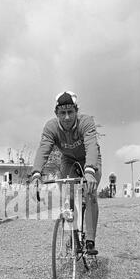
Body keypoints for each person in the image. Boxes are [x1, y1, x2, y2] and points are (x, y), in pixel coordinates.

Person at [31, 91, 102, 254]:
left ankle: (90, 239)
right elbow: (43, 150)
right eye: (62, 113)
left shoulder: (86, 122)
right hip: (68, 159)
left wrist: (90, 171)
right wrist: (36, 174)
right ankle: (73, 235)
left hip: (90, 160)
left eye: (70, 112)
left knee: (90, 192)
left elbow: (91, 145)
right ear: (56, 114)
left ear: (76, 111)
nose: (67, 117)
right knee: (68, 197)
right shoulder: (51, 127)